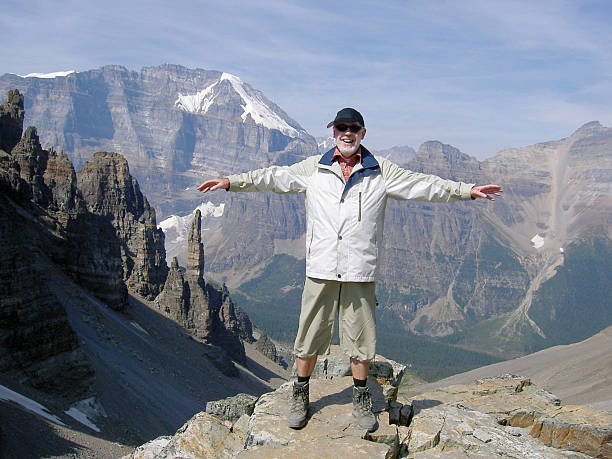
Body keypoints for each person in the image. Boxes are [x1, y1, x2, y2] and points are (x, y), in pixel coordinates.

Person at [198, 107, 502, 432]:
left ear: (362, 133)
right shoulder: (314, 168)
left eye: (352, 128)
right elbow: (273, 177)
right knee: (310, 334)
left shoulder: (380, 171)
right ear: (333, 132)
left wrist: (465, 191)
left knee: (360, 337)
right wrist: (232, 182)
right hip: (321, 267)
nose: (346, 133)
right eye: (341, 127)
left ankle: (361, 399)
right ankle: (300, 395)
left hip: (359, 270)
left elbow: (423, 185)